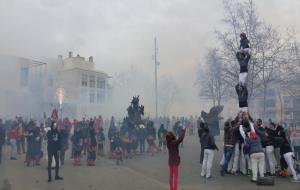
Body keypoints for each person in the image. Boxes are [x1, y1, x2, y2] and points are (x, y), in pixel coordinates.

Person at [166, 126, 186, 190]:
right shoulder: (174, 143)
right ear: (172, 136)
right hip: (175, 161)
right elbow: (180, 139)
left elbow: (178, 140)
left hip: (170, 161)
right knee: (176, 177)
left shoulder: (168, 143)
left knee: (171, 176)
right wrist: (183, 131)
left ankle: (171, 188)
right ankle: (175, 189)